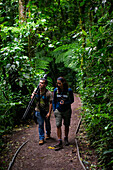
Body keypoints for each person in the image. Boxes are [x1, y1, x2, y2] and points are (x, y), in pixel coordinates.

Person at [52, 77, 74, 150]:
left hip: (67, 110)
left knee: (66, 124)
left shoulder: (69, 90)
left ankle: (66, 138)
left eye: (59, 83)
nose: (58, 84)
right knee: (58, 125)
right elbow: (54, 100)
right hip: (58, 110)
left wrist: (65, 102)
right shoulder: (56, 90)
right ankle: (59, 140)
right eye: (57, 83)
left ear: (63, 83)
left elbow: (72, 100)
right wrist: (54, 109)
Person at [31, 78, 53, 145]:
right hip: (38, 110)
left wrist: (49, 112)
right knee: (40, 124)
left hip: (46, 111)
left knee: (47, 123)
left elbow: (51, 103)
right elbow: (32, 99)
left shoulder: (48, 93)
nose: (40, 84)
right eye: (40, 83)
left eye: (42, 83)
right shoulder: (36, 90)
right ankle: (41, 138)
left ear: (45, 85)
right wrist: (32, 96)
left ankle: (48, 133)